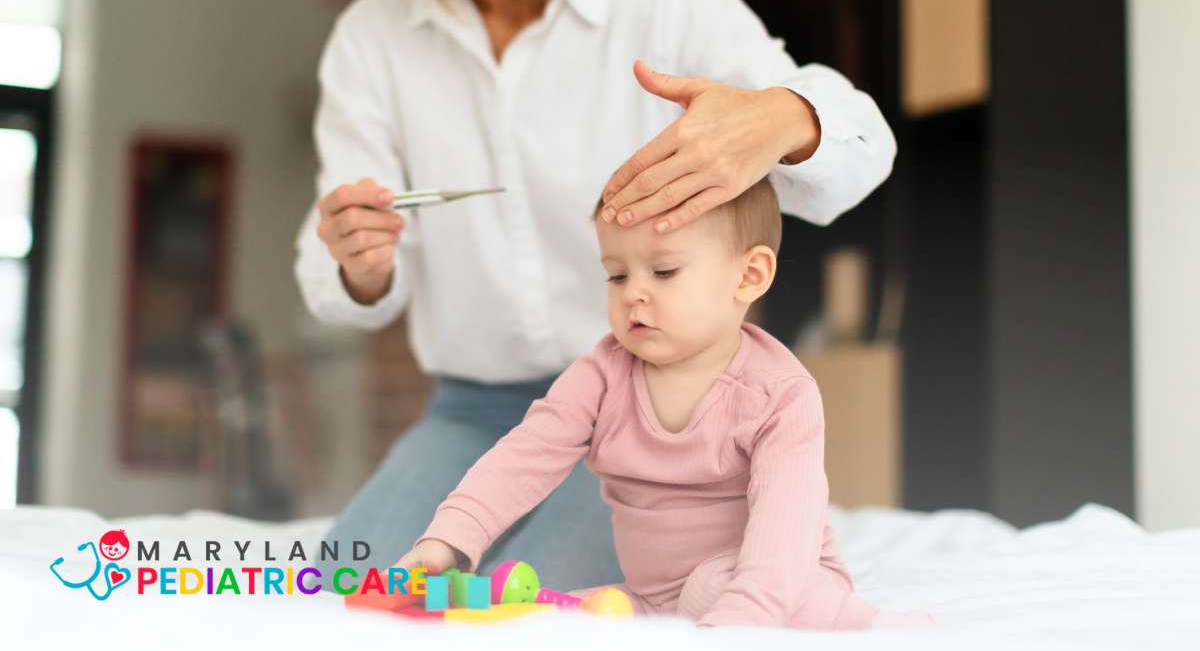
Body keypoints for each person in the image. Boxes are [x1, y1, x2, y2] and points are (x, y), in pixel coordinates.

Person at [295, 0, 897, 593]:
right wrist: (359, 263)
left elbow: (864, 148)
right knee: (343, 593)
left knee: (518, 605)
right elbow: (341, 276)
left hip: (651, 402)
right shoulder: (373, 40)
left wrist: (781, 120)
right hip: (470, 413)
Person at [392, 180, 934, 629]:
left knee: (751, 591)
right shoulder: (600, 375)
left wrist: (744, 618)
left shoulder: (780, 395)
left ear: (748, 276)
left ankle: (874, 627)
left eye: (665, 271)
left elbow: (784, 529)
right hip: (651, 597)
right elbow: (523, 458)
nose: (634, 294)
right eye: (617, 274)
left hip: (771, 583)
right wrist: (448, 539)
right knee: (548, 614)